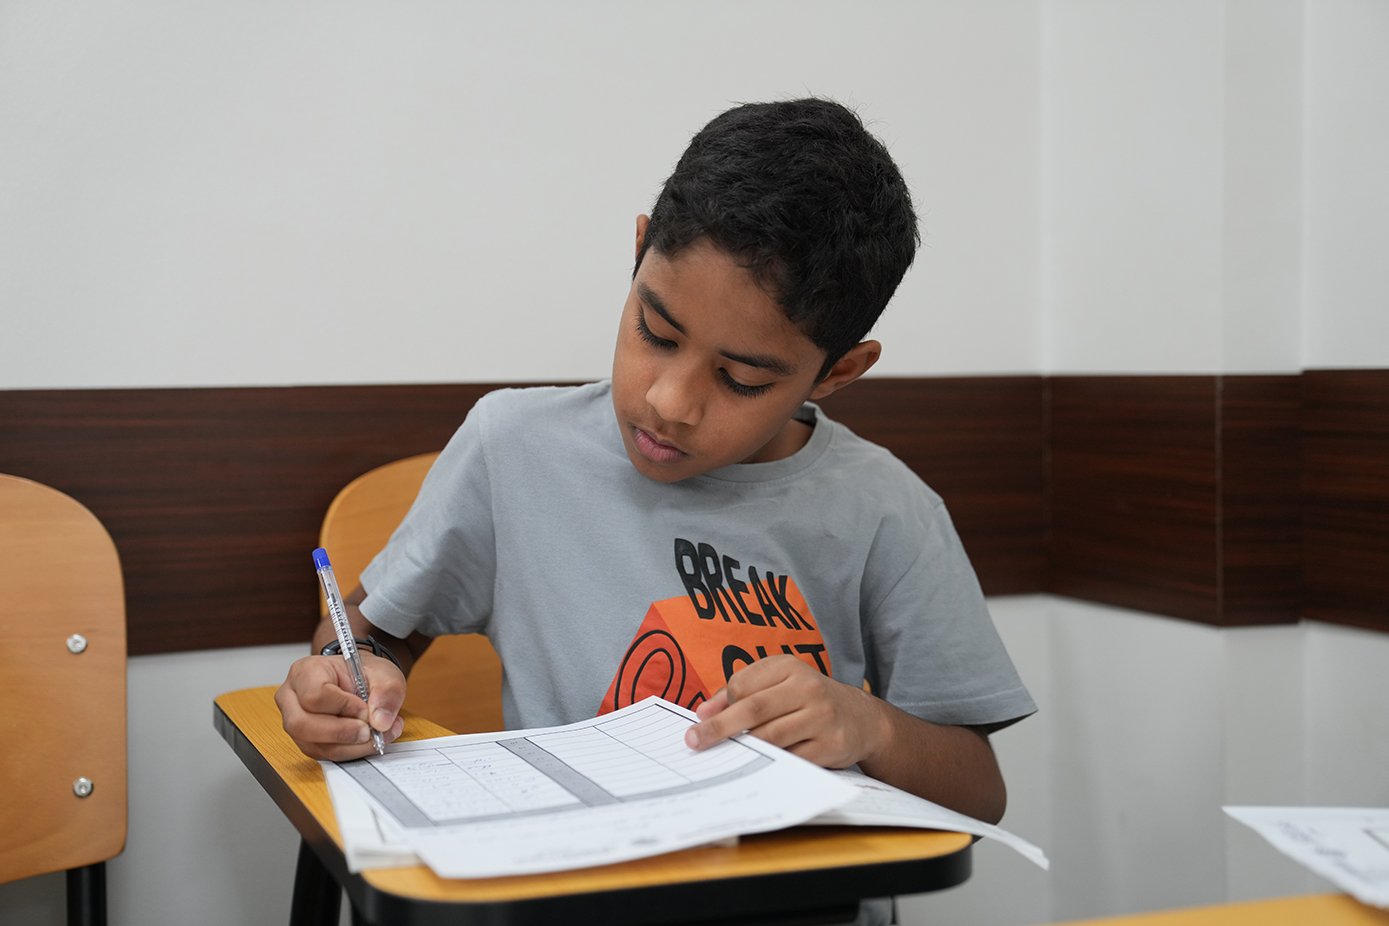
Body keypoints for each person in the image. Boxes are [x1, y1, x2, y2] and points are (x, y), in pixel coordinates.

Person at [277, 99, 1034, 843]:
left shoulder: (886, 508)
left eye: (741, 379)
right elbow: (368, 632)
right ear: (639, 251)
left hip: (797, 893)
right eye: (656, 331)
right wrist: (347, 675)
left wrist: (871, 725)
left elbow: (979, 792)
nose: (670, 403)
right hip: (582, 881)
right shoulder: (514, 449)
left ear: (838, 372)